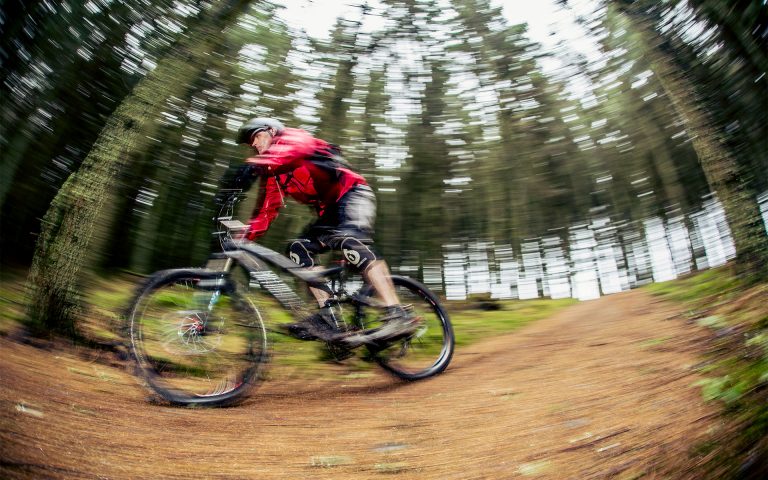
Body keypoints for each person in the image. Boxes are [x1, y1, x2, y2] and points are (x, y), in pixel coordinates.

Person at [230, 117, 418, 347]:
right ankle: (329, 314)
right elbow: (266, 211)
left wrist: (257, 164)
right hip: (329, 213)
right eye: (252, 144)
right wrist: (244, 236)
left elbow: (300, 147)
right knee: (298, 249)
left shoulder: (292, 138)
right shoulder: (273, 175)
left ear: (272, 131)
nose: (256, 145)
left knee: (350, 241)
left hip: (353, 194)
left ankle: (398, 314)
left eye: (258, 137)